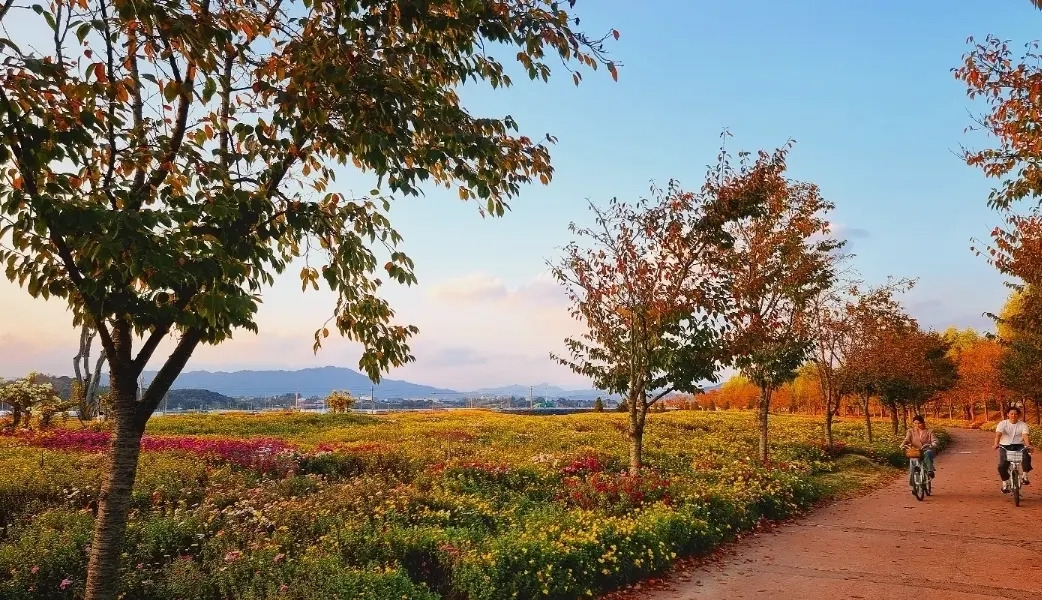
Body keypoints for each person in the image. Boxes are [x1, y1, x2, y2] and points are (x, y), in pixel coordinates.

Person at [994, 406, 1032, 493]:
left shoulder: (1023, 425)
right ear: (1008, 414)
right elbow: (998, 434)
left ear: (1018, 415)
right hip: (1005, 446)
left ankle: (1025, 475)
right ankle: (1005, 482)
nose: (1013, 415)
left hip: (1019, 445)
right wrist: (996, 444)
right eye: (1011, 414)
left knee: (1026, 455)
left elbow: (1025, 435)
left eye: (1015, 414)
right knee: (1002, 465)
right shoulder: (1003, 423)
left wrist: (1028, 445)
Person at [902, 415, 937, 482]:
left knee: (927, 453)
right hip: (916, 451)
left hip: (927, 449)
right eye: (915, 423)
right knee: (912, 461)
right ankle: (913, 480)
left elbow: (934, 440)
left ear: (923, 423)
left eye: (919, 423)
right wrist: (903, 444)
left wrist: (933, 444)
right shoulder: (910, 431)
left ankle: (930, 470)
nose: (917, 425)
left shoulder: (929, 431)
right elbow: (907, 439)